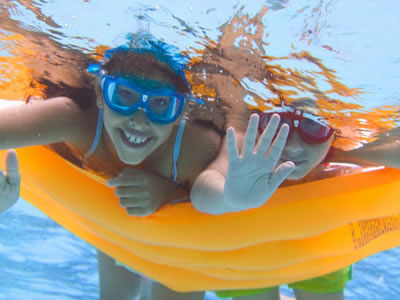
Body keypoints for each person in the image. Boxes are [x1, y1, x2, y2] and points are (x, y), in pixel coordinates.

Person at [0, 33, 294, 299]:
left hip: (179, 234)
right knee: (117, 295)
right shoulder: (73, 119)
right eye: (125, 95)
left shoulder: (191, 148)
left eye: (161, 105)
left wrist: (173, 194)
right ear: (102, 96)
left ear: (180, 113)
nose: (140, 120)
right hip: (116, 212)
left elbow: (208, 194)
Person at [191, 102, 400, 300]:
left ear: (333, 130)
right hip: (249, 250)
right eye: (277, 123)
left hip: (316, 246)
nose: (292, 146)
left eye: (313, 126)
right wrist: (231, 198)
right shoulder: (249, 141)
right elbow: (202, 193)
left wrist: (344, 153)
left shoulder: (339, 143)